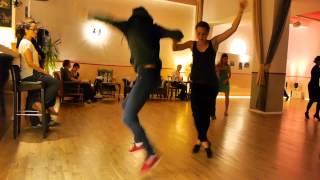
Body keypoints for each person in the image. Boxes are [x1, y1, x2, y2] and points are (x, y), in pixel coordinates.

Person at [92, 6, 183, 172]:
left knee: (127, 117)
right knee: (125, 105)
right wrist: (175, 38)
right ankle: (139, 141)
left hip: (147, 75)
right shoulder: (153, 28)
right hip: (148, 75)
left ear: (134, 18)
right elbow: (178, 34)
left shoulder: (129, 26)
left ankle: (151, 153)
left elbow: (110, 20)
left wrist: (94, 15)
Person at [173, 0, 247, 158]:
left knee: (205, 114)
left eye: (204, 34)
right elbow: (175, 48)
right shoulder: (191, 45)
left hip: (210, 86)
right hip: (196, 85)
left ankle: (200, 141)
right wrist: (174, 37)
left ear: (208, 33)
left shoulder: (213, 43)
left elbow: (232, 29)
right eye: (199, 33)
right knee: (195, 113)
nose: (201, 36)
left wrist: (240, 11)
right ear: (196, 32)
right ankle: (203, 140)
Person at [16, 19, 59, 128]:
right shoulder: (26, 43)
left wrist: (37, 56)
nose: (36, 31)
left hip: (28, 75)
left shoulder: (27, 42)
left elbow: (31, 60)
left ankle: (35, 122)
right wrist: (45, 72)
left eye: (36, 29)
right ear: (26, 30)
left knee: (33, 95)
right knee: (54, 82)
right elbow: (30, 63)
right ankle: (45, 106)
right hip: (29, 75)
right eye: (33, 29)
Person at [305, 56, 320, 120]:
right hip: (312, 86)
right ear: (316, 61)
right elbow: (316, 76)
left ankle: (316, 114)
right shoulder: (314, 69)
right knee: (312, 100)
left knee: (319, 100)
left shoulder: (318, 68)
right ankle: (307, 112)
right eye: (319, 61)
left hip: (316, 86)